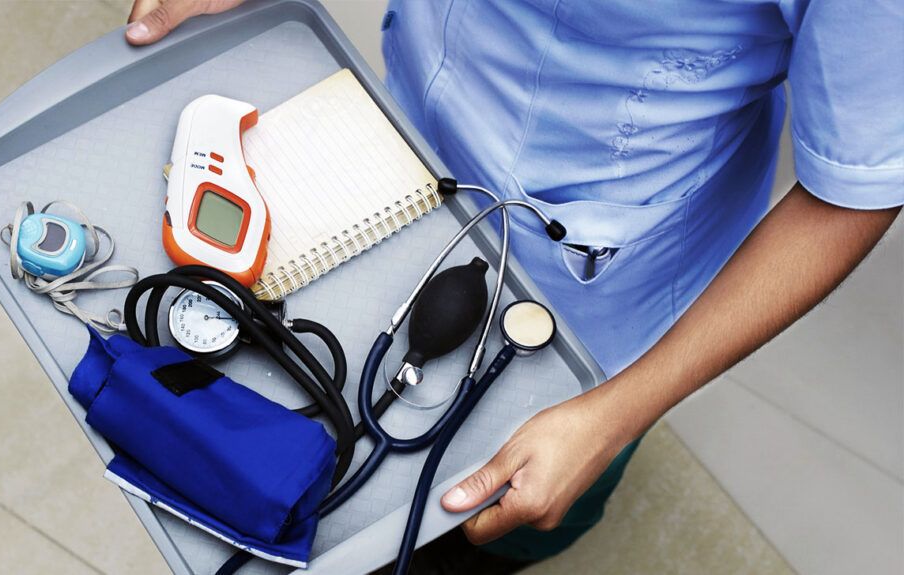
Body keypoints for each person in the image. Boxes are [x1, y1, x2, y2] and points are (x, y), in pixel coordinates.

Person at [126, 0, 903, 572]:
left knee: (493, 515)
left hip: (596, 276)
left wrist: (612, 412)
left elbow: (851, 195)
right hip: (404, 130)